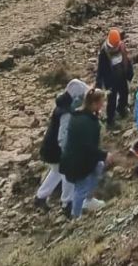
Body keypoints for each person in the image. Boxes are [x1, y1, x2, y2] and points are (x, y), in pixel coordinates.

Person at [34, 79, 88, 210]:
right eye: (81, 97)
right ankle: (67, 203)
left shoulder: (62, 107)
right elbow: (62, 138)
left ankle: (40, 197)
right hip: (56, 150)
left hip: (49, 148)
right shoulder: (66, 113)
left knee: (56, 172)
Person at [53, 79, 102, 214]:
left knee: (96, 168)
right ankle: (72, 207)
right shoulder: (69, 113)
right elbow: (63, 138)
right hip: (72, 156)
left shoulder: (76, 112)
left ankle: (81, 202)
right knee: (77, 182)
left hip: (74, 154)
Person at [61, 88, 108, 219]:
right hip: (77, 161)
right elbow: (87, 146)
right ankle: (76, 216)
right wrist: (104, 155)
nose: (103, 104)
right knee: (80, 189)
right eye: (101, 102)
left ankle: (89, 200)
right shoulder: (85, 122)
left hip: (82, 158)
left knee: (98, 166)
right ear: (94, 104)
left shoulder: (80, 116)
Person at [95, 29, 133, 127]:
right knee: (111, 100)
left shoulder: (121, 46)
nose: (117, 45)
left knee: (124, 93)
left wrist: (129, 73)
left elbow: (126, 60)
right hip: (110, 81)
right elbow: (100, 69)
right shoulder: (104, 52)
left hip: (121, 76)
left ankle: (121, 109)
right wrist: (98, 84)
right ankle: (110, 120)